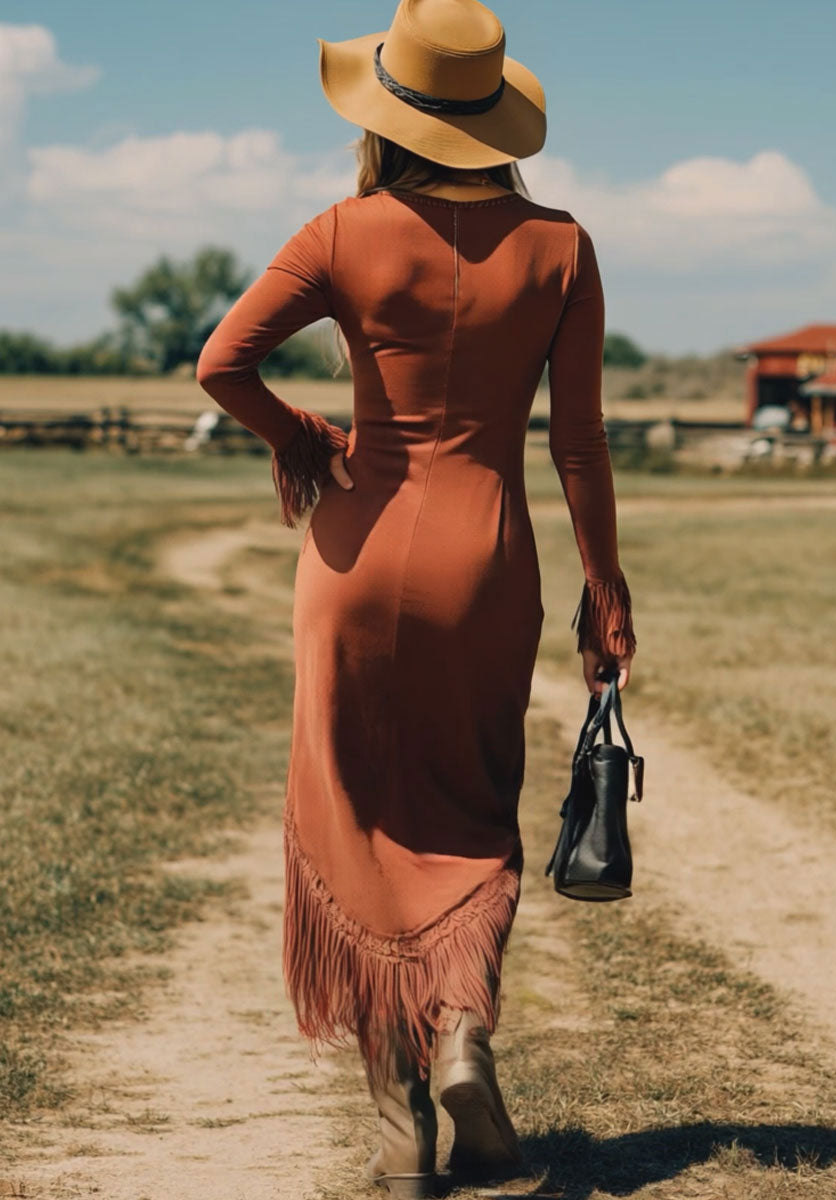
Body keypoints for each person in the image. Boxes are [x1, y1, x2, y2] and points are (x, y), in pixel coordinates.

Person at [195, 1, 637, 1195]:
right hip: (487, 563)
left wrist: (303, 437)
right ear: (493, 117)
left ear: (387, 112)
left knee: (357, 825)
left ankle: (401, 1146)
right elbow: (581, 447)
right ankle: (461, 1040)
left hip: (353, 553)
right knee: (471, 815)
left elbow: (221, 364)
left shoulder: (344, 231)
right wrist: (608, 591)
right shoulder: (562, 248)